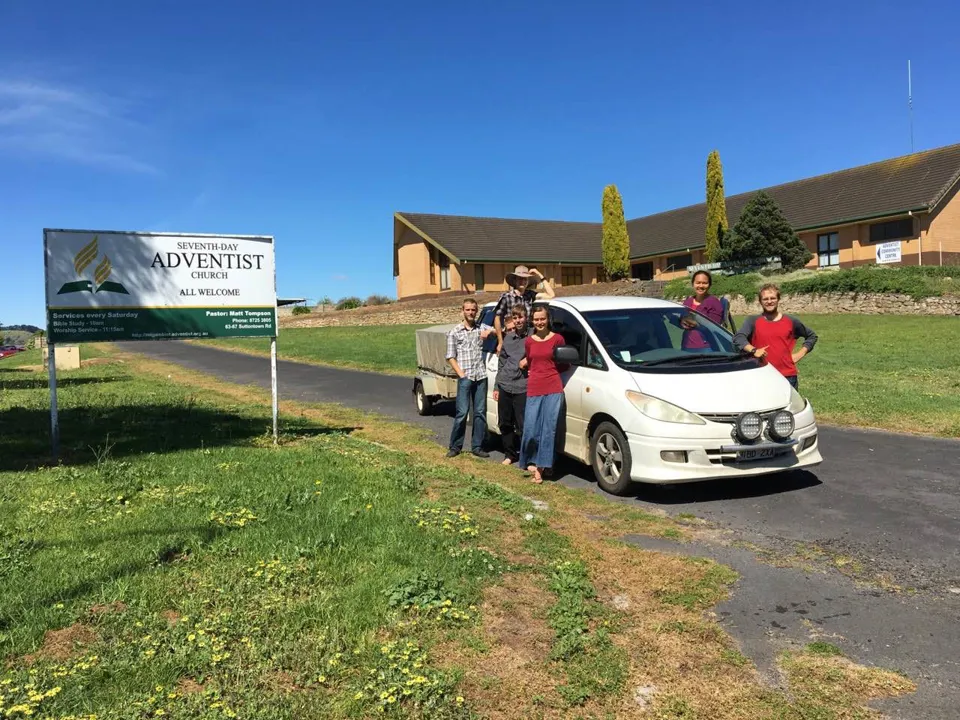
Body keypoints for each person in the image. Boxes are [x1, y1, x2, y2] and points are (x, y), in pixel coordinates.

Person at [733, 283, 818, 389]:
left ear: (778, 299)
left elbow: (811, 336)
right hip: (761, 374)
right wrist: (754, 350)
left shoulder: (791, 321)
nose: (769, 302)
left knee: (790, 405)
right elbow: (739, 337)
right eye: (765, 299)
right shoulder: (752, 321)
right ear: (760, 301)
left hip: (787, 376)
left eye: (772, 298)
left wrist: (800, 354)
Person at [518, 306, 567, 484]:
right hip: (534, 387)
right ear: (532, 321)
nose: (539, 322)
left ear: (548, 319)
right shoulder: (529, 341)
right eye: (536, 319)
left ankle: (542, 467)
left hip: (553, 387)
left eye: (542, 319)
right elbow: (530, 363)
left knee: (548, 429)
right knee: (530, 428)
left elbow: (564, 364)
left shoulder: (558, 339)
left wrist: (550, 372)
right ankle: (531, 459)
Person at [445, 297, 494, 458]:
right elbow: (450, 356)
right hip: (465, 376)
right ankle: (455, 446)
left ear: (476, 311)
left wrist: (491, 332)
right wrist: (461, 373)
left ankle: (477, 446)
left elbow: (500, 330)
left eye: (473, 310)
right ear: (463, 311)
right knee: (462, 412)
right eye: (468, 309)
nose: (471, 312)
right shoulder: (455, 332)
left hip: (480, 375)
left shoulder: (481, 328)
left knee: (480, 412)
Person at [492, 305, 528, 465]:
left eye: (520, 317)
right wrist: (496, 386)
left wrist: (529, 360)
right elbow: (501, 364)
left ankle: (527, 456)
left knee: (523, 425)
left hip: (522, 387)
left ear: (526, 317)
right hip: (505, 385)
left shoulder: (533, 337)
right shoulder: (508, 338)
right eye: (515, 318)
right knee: (505, 422)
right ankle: (510, 454)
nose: (518, 321)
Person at [493, 265, 555, 352]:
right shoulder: (506, 297)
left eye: (525, 279)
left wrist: (539, 275)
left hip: (528, 338)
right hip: (513, 338)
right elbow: (497, 318)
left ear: (527, 281)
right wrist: (500, 341)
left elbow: (551, 295)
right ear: (515, 281)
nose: (522, 281)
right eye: (520, 279)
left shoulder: (530, 295)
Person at [679, 270, 726, 350]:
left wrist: (692, 322)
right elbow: (681, 320)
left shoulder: (714, 303)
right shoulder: (688, 301)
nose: (701, 286)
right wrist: (681, 321)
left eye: (704, 283)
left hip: (707, 347)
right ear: (693, 284)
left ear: (709, 285)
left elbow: (714, 327)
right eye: (698, 282)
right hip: (686, 346)